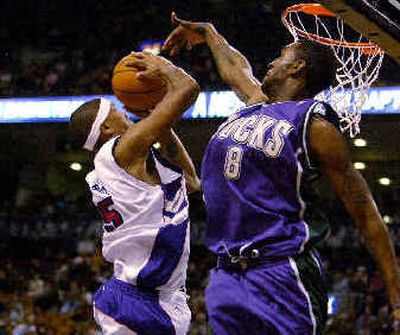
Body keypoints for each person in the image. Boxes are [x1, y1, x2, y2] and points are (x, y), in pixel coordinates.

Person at [162, 13, 400, 335]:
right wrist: (209, 33)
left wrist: (396, 292)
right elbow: (236, 69)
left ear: (297, 67)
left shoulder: (314, 125)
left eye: (280, 56)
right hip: (225, 275)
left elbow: (365, 211)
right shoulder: (255, 103)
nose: (271, 62)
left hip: (281, 271)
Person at [69, 52, 200, 335]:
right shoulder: (119, 150)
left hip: (142, 295)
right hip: (141, 301)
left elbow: (191, 183)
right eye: (118, 111)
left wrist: (158, 122)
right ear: (106, 126)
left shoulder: (122, 164)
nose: (126, 112)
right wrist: (164, 67)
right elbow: (188, 89)